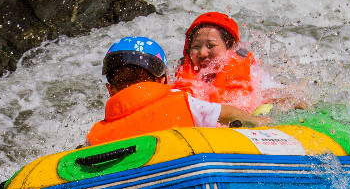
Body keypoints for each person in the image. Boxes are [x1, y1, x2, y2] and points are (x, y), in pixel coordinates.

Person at [87, 36, 261, 147]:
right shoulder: (183, 103)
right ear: (163, 80)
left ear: (110, 90)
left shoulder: (97, 134)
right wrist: (257, 121)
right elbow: (226, 112)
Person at [170, 12, 309, 113]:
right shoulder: (182, 74)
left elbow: (271, 92)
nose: (202, 53)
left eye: (211, 46)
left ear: (230, 47)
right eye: (196, 47)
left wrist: (291, 100)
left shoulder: (250, 72)